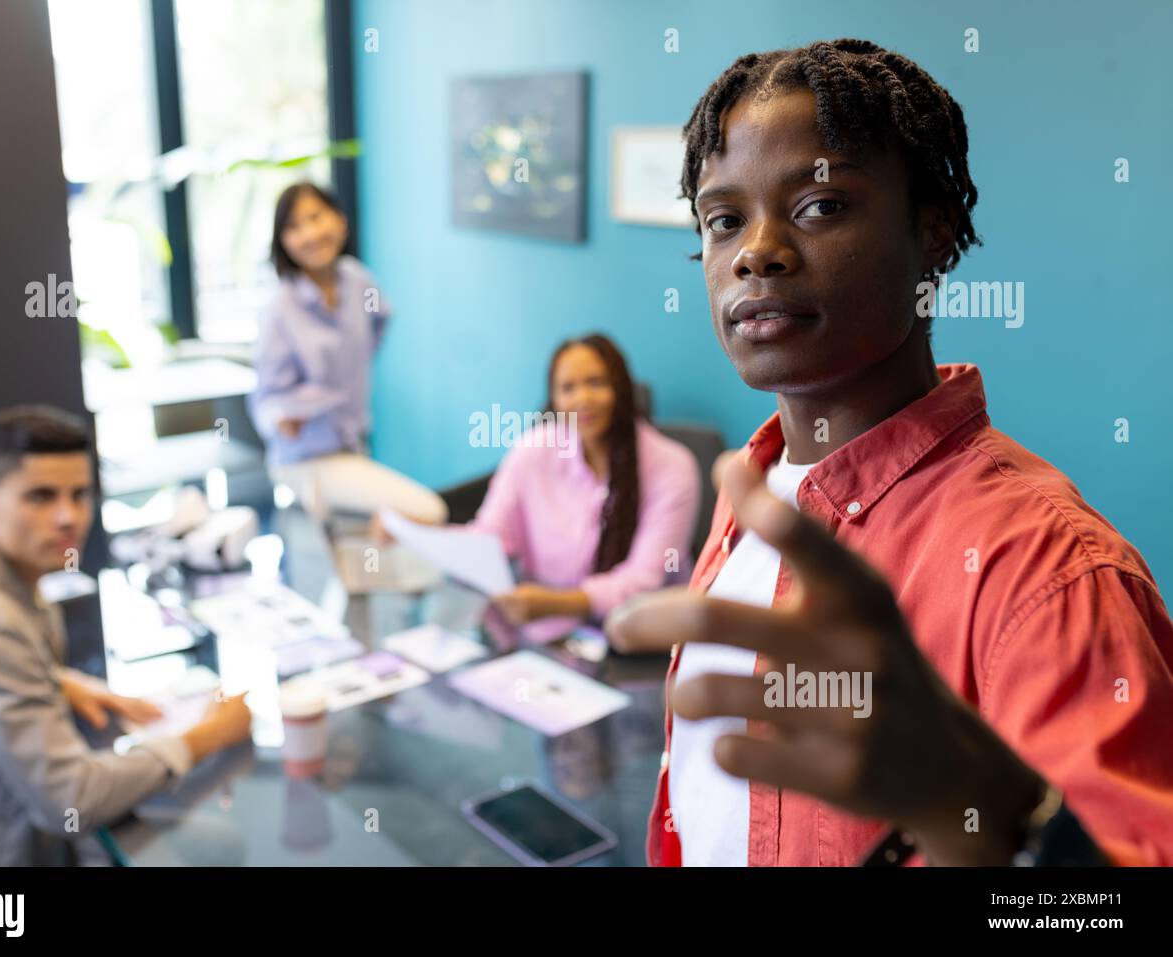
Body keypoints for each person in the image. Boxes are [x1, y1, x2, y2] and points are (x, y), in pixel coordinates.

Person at [607, 39, 1173, 866]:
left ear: (933, 235)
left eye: (821, 206)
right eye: (724, 219)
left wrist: (1000, 821)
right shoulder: (750, 488)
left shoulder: (1052, 573)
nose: (755, 252)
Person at [0, 406, 252, 865]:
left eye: (80, 494)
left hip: (7, 820)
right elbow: (70, 801)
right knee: (215, 844)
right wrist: (207, 736)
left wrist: (55, 680)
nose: (67, 517)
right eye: (41, 496)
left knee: (214, 841)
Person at [384, 334, 700, 641]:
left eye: (596, 383)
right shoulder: (532, 452)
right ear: (554, 399)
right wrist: (414, 532)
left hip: (643, 635)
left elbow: (642, 581)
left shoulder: (672, 467)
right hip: (552, 633)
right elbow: (491, 538)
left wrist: (554, 603)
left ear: (622, 388)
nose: (582, 399)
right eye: (568, 388)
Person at [250, 181, 447, 524]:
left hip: (352, 446)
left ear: (339, 219)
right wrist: (283, 419)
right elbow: (265, 401)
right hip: (304, 460)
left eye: (315, 217)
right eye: (294, 227)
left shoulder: (359, 281)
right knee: (429, 511)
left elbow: (378, 323)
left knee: (371, 545)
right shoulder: (279, 309)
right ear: (282, 241)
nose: (310, 233)